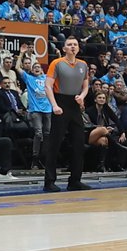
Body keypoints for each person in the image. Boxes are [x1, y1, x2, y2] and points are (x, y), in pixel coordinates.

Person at [43, 37, 91, 192]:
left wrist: (82, 97)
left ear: (78, 48)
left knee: (78, 143)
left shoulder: (83, 65)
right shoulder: (56, 63)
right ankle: (49, 181)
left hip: (75, 104)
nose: (72, 47)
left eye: (75, 44)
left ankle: (75, 180)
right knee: (55, 144)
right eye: (69, 44)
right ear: (64, 49)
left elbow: (85, 86)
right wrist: (54, 105)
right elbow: (48, 86)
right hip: (60, 102)